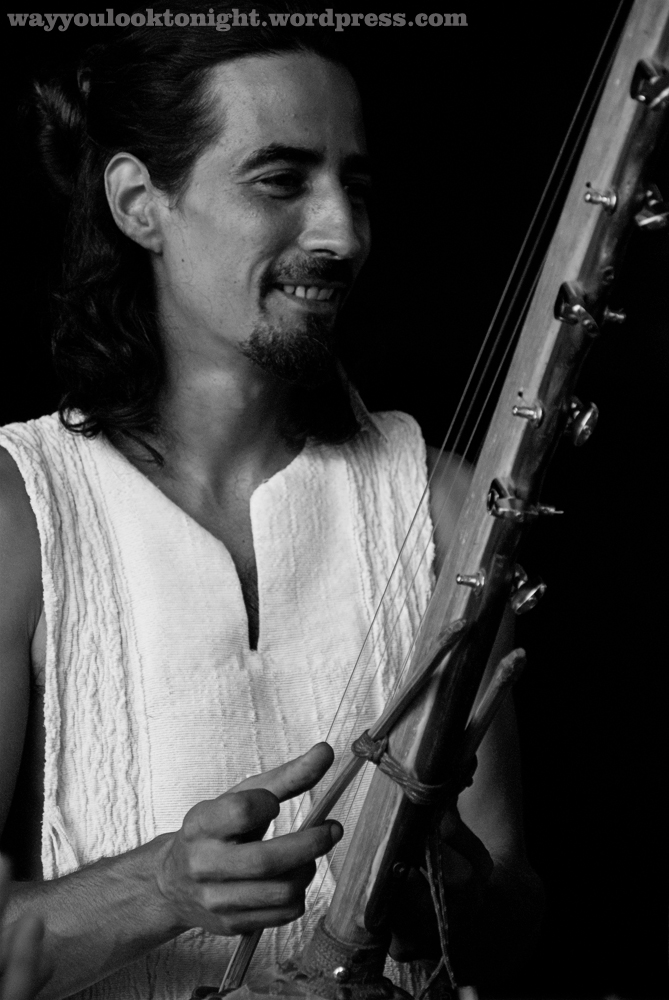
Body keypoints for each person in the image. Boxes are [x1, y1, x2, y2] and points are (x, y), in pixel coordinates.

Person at [0, 3, 543, 997]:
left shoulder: (443, 501)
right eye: (282, 180)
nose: (342, 233)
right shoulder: (23, 513)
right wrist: (157, 886)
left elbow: (514, 921)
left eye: (355, 186)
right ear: (140, 203)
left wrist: (450, 890)